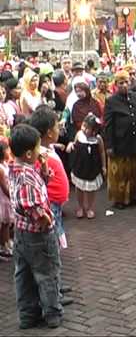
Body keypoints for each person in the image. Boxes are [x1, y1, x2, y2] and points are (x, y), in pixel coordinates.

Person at [9, 124, 63, 329]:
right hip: (37, 235)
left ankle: (28, 314)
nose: (42, 151)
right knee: (47, 273)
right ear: (29, 152)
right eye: (39, 147)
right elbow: (33, 207)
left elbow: (38, 186)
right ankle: (52, 312)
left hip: (21, 234)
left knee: (23, 275)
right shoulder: (26, 177)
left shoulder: (17, 169)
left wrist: (43, 169)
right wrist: (47, 222)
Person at [28, 106, 73, 305]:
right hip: (51, 207)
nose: (59, 128)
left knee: (54, 249)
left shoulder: (49, 149)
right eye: (57, 126)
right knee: (51, 250)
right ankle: (53, 293)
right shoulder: (40, 155)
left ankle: (57, 283)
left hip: (56, 206)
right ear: (48, 132)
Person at [104, 71, 136, 209]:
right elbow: (108, 125)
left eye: (126, 82)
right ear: (116, 85)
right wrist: (109, 145)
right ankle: (120, 199)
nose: (124, 85)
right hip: (120, 142)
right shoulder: (111, 101)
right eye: (121, 83)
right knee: (120, 173)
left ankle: (135, 195)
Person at [67, 113, 105, 219]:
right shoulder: (79, 134)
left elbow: (102, 152)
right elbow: (74, 144)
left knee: (91, 189)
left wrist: (103, 166)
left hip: (92, 167)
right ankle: (80, 206)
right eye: (84, 126)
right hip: (80, 166)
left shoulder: (98, 139)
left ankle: (90, 207)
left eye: (87, 128)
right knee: (79, 188)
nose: (84, 129)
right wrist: (70, 145)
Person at [0, 141, 13, 259]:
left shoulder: (5, 164)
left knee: (7, 223)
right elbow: (4, 187)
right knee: (4, 223)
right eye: (7, 150)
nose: (9, 151)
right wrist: (12, 196)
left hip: (6, 199)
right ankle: (4, 245)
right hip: (3, 200)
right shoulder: (0, 169)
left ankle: (7, 242)